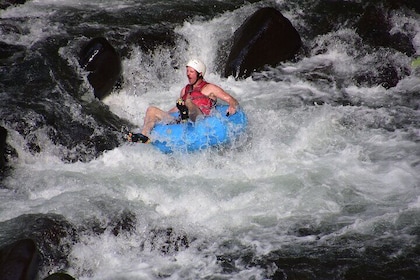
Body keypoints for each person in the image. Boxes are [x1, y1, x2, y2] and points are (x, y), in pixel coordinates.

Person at [127, 59, 240, 143]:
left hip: (201, 118)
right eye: (187, 71)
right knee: (151, 110)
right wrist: (163, 116)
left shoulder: (210, 88)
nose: (188, 74)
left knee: (188, 102)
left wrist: (232, 106)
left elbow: (231, 99)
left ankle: (186, 112)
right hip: (183, 118)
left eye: (191, 72)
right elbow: (176, 108)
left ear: (199, 74)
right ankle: (144, 135)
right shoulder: (184, 90)